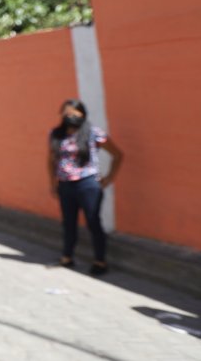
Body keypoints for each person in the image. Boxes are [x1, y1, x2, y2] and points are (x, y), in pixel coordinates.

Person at [47, 98, 124, 275]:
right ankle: (67, 257)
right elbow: (51, 159)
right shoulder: (56, 134)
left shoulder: (93, 133)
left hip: (88, 185)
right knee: (68, 223)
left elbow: (118, 155)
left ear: (83, 115)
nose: (70, 117)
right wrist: (52, 183)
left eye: (74, 114)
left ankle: (100, 261)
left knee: (93, 222)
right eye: (66, 113)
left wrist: (109, 178)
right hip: (65, 185)